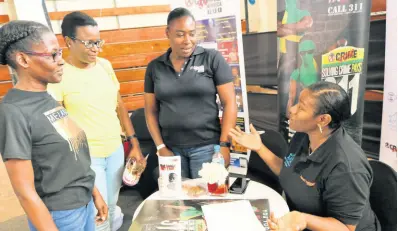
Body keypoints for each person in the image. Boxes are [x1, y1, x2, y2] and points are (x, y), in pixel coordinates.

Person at [0, 20, 108, 231]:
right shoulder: (13, 111)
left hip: (82, 204)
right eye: (53, 55)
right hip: (60, 215)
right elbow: (25, 192)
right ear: (23, 59)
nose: (61, 61)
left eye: (59, 52)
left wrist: (94, 192)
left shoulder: (46, 97)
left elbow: (71, 155)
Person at [230, 81, 380, 231]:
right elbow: (287, 170)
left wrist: (304, 219)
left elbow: (346, 228)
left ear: (323, 119)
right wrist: (259, 147)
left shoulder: (347, 166)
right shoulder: (304, 135)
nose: (292, 109)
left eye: (301, 107)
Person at [47, 11, 144, 231]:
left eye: (98, 42)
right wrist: (78, 161)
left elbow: (119, 106)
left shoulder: (104, 65)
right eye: (88, 42)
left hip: (115, 150)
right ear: (68, 42)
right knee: (97, 213)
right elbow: (58, 122)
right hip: (88, 157)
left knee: (110, 204)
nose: (95, 48)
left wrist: (134, 143)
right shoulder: (59, 74)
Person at [144, 7, 237, 179]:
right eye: (180, 34)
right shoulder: (155, 67)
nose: (187, 40)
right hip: (171, 150)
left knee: (208, 200)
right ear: (167, 33)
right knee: (179, 203)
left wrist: (224, 145)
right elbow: (150, 111)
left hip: (207, 147)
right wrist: (160, 147)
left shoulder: (212, 58)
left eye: (192, 33)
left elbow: (230, 102)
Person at [286, 40, 319, 117]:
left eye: (310, 51)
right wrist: (288, 118)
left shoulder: (321, 64)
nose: (306, 55)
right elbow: (291, 97)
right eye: (303, 53)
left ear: (314, 51)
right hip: (308, 103)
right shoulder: (297, 73)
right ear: (300, 54)